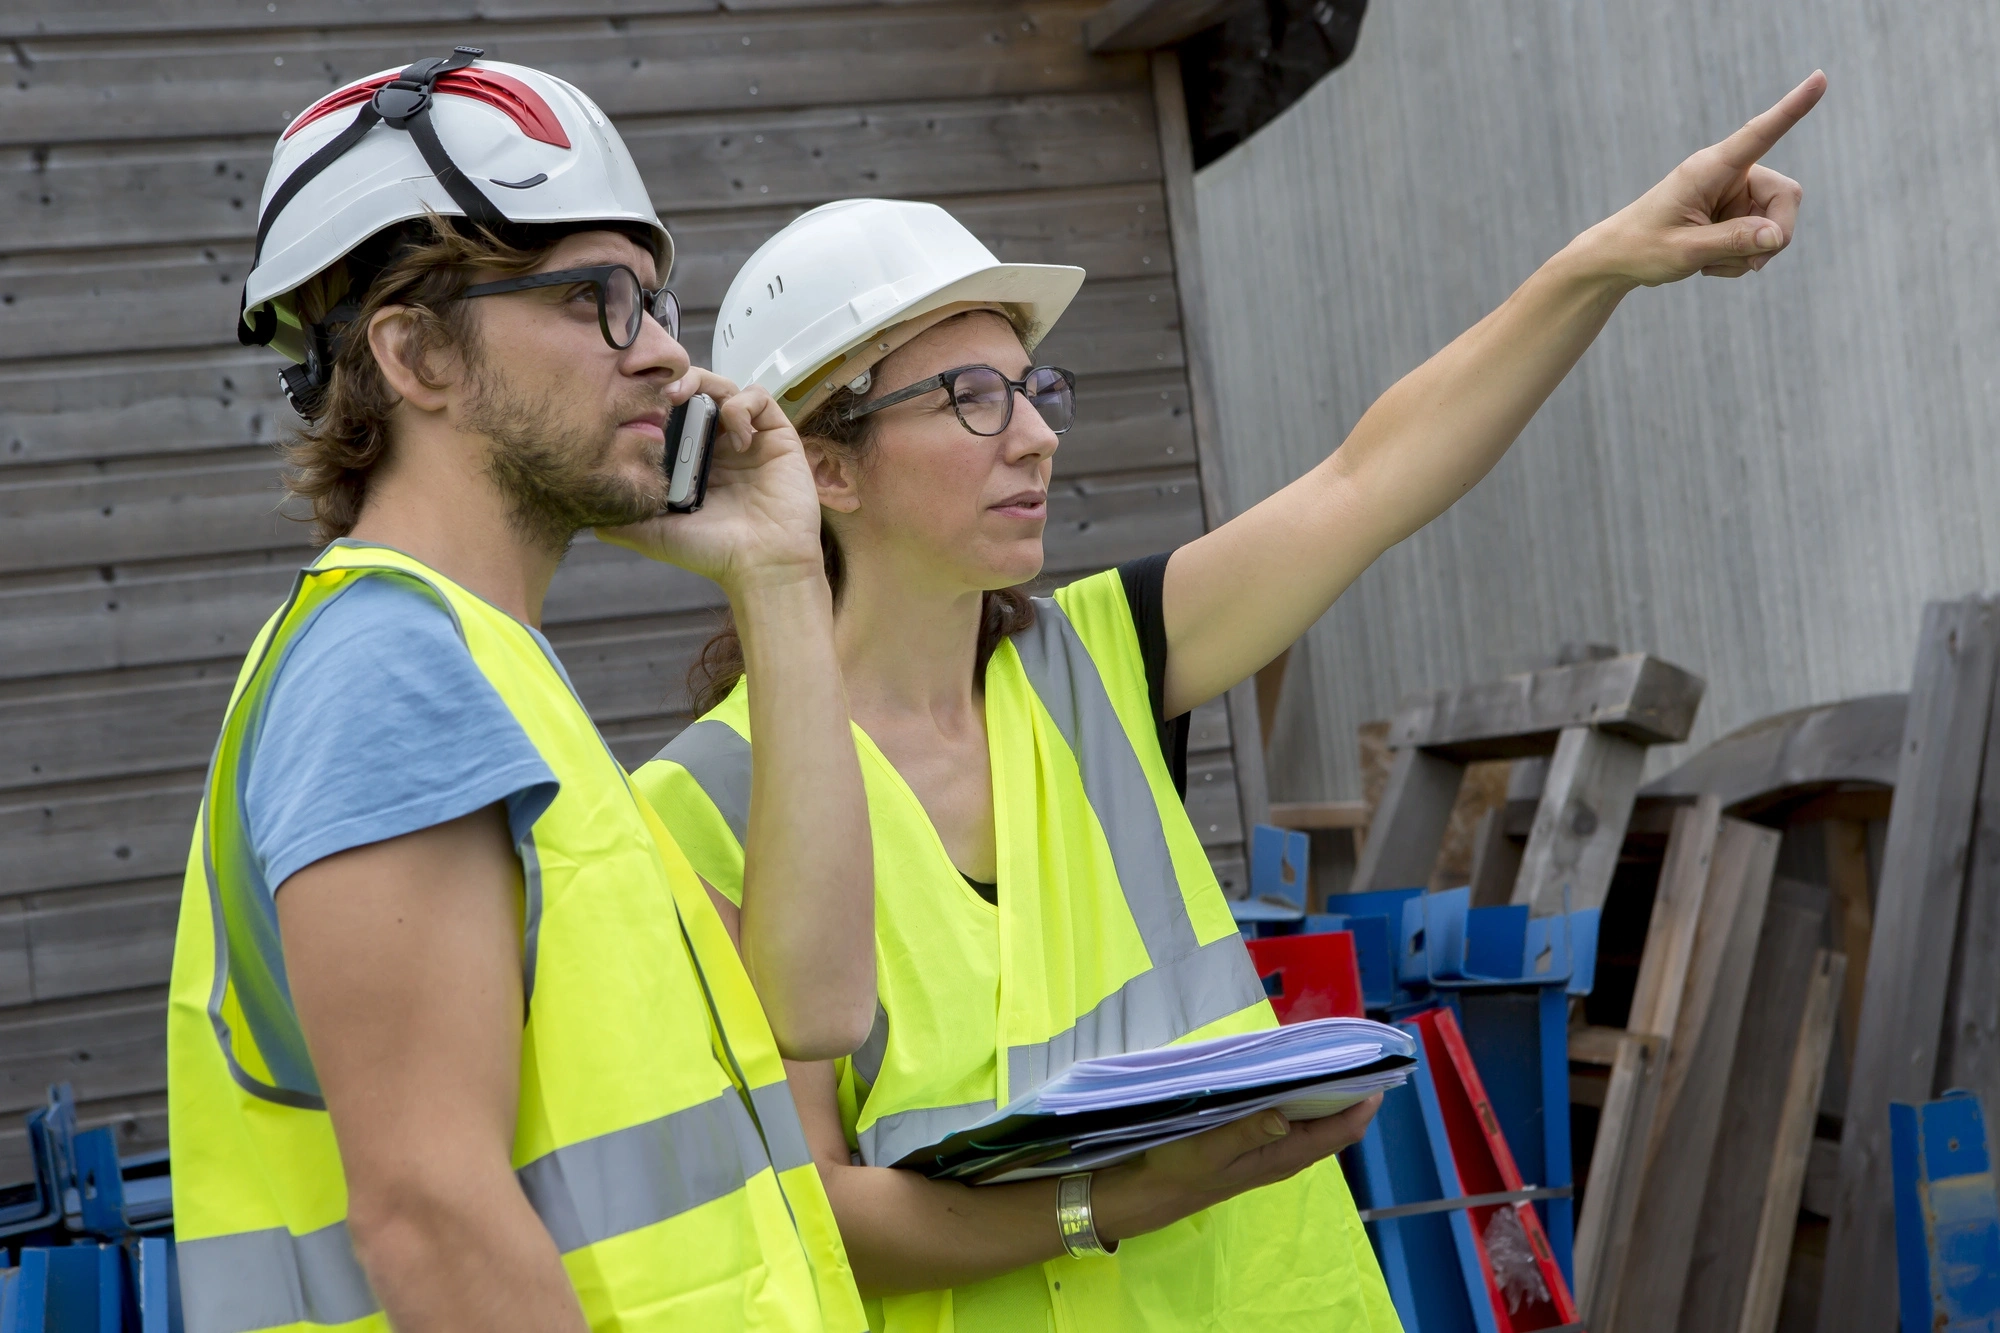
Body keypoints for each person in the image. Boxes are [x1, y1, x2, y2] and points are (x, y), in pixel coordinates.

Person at [634, 69, 1827, 1331]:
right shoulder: (703, 802)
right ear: (823, 465)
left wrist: (1601, 264)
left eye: (1031, 391)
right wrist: (1123, 1200)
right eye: (969, 400)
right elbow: (807, 1207)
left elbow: (1368, 478)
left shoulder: (1096, 659)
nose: (1035, 437)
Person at [165, 51, 874, 1332]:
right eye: (597, 297)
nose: (666, 355)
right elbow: (433, 1217)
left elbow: (818, 1009)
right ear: (416, 354)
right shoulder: (387, 668)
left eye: (658, 300)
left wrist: (776, 577)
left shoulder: (481, 664)